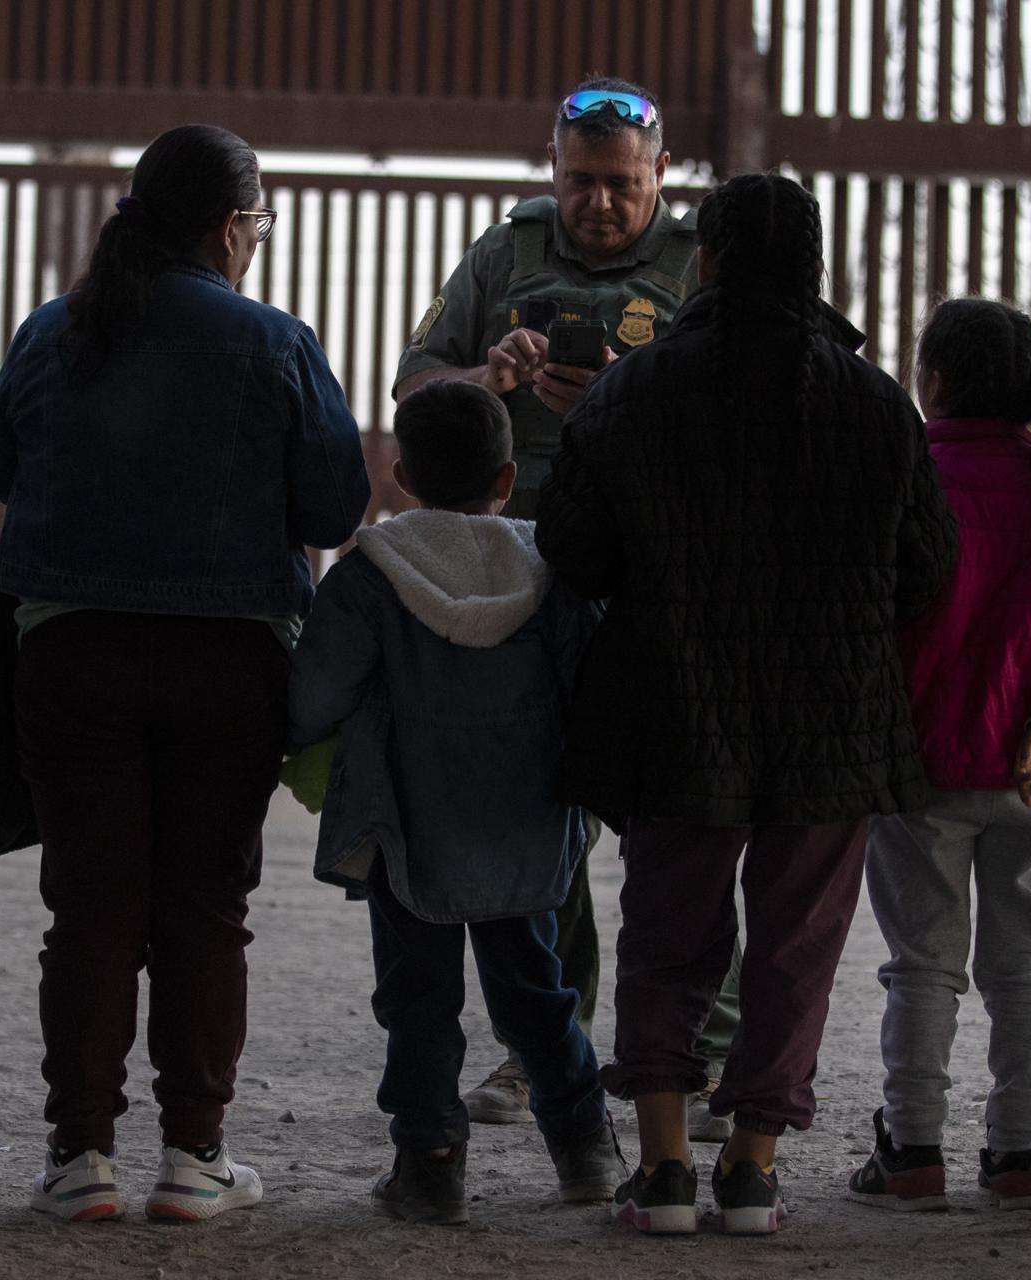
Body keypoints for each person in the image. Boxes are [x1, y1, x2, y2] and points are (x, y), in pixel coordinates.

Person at [537, 172, 959, 1236]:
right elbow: (930, 567)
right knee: (796, 940)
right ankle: (755, 1168)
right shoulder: (873, 402)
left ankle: (668, 1167)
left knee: (667, 927)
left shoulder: (631, 393)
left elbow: (573, 552)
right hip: (833, 714)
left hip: (676, 707)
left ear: (707, 262)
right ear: (814, 270)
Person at [0, 124, 370, 1223]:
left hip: (70, 652)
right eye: (260, 225)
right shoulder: (274, 341)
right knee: (206, 906)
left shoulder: (49, 332)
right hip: (228, 661)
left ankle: (81, 1156)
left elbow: (12, 473)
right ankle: (193, 1156)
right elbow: (335, 507)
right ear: (229, 227)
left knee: (90, 906)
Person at [393, 74, 742, 1143]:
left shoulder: (702, 262)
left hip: (663, 573)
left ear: (662, 174)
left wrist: (629, 402)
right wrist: (483, 376)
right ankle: (555, 1031)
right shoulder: (505, 254)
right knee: (545, 804)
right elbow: (413, 386)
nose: (599, 205)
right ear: (553, 171)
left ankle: (711, 1046)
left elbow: (749, 414)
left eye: (621, 186)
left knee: (689, 807)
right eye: (582, 182)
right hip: (526, 571)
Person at [286, 379, 627, 1225]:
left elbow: (312, 701)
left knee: (418, 997)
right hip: (526, 825)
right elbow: (592, 693)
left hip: (408, 830)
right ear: (508, 478)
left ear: (401, 475)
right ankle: (584, 1147)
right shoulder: (550, 571)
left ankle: (430, 1162)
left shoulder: (372, 575)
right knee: (537, 990)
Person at [842, 300, 1031, 1214]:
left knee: (923, 963)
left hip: (919, 772)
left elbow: (860, 622)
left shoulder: (898, 484)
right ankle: (1021, 1152)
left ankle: (915, 1149)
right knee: (1025, 964)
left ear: (929, 382)